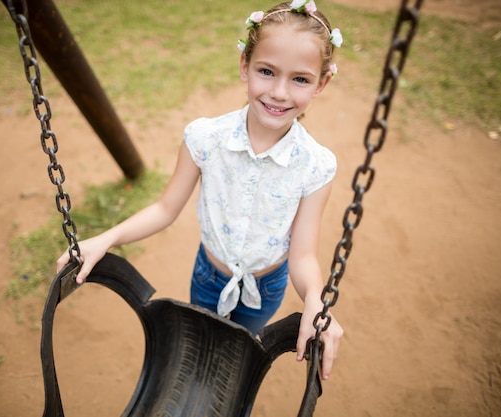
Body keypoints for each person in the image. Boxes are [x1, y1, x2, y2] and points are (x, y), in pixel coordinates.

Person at [57, 0, 344, 380]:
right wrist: (106, 239)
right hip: (209, 274)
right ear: (245, 65)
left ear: (321, 83)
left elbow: (303, 255)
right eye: (266, 71)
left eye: (300, 79)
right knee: (200, 342)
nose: (278, 92)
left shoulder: (316, 165)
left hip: (267, 284)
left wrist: (314, 301)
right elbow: (165, 208)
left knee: (240, 351)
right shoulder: (206, 138)